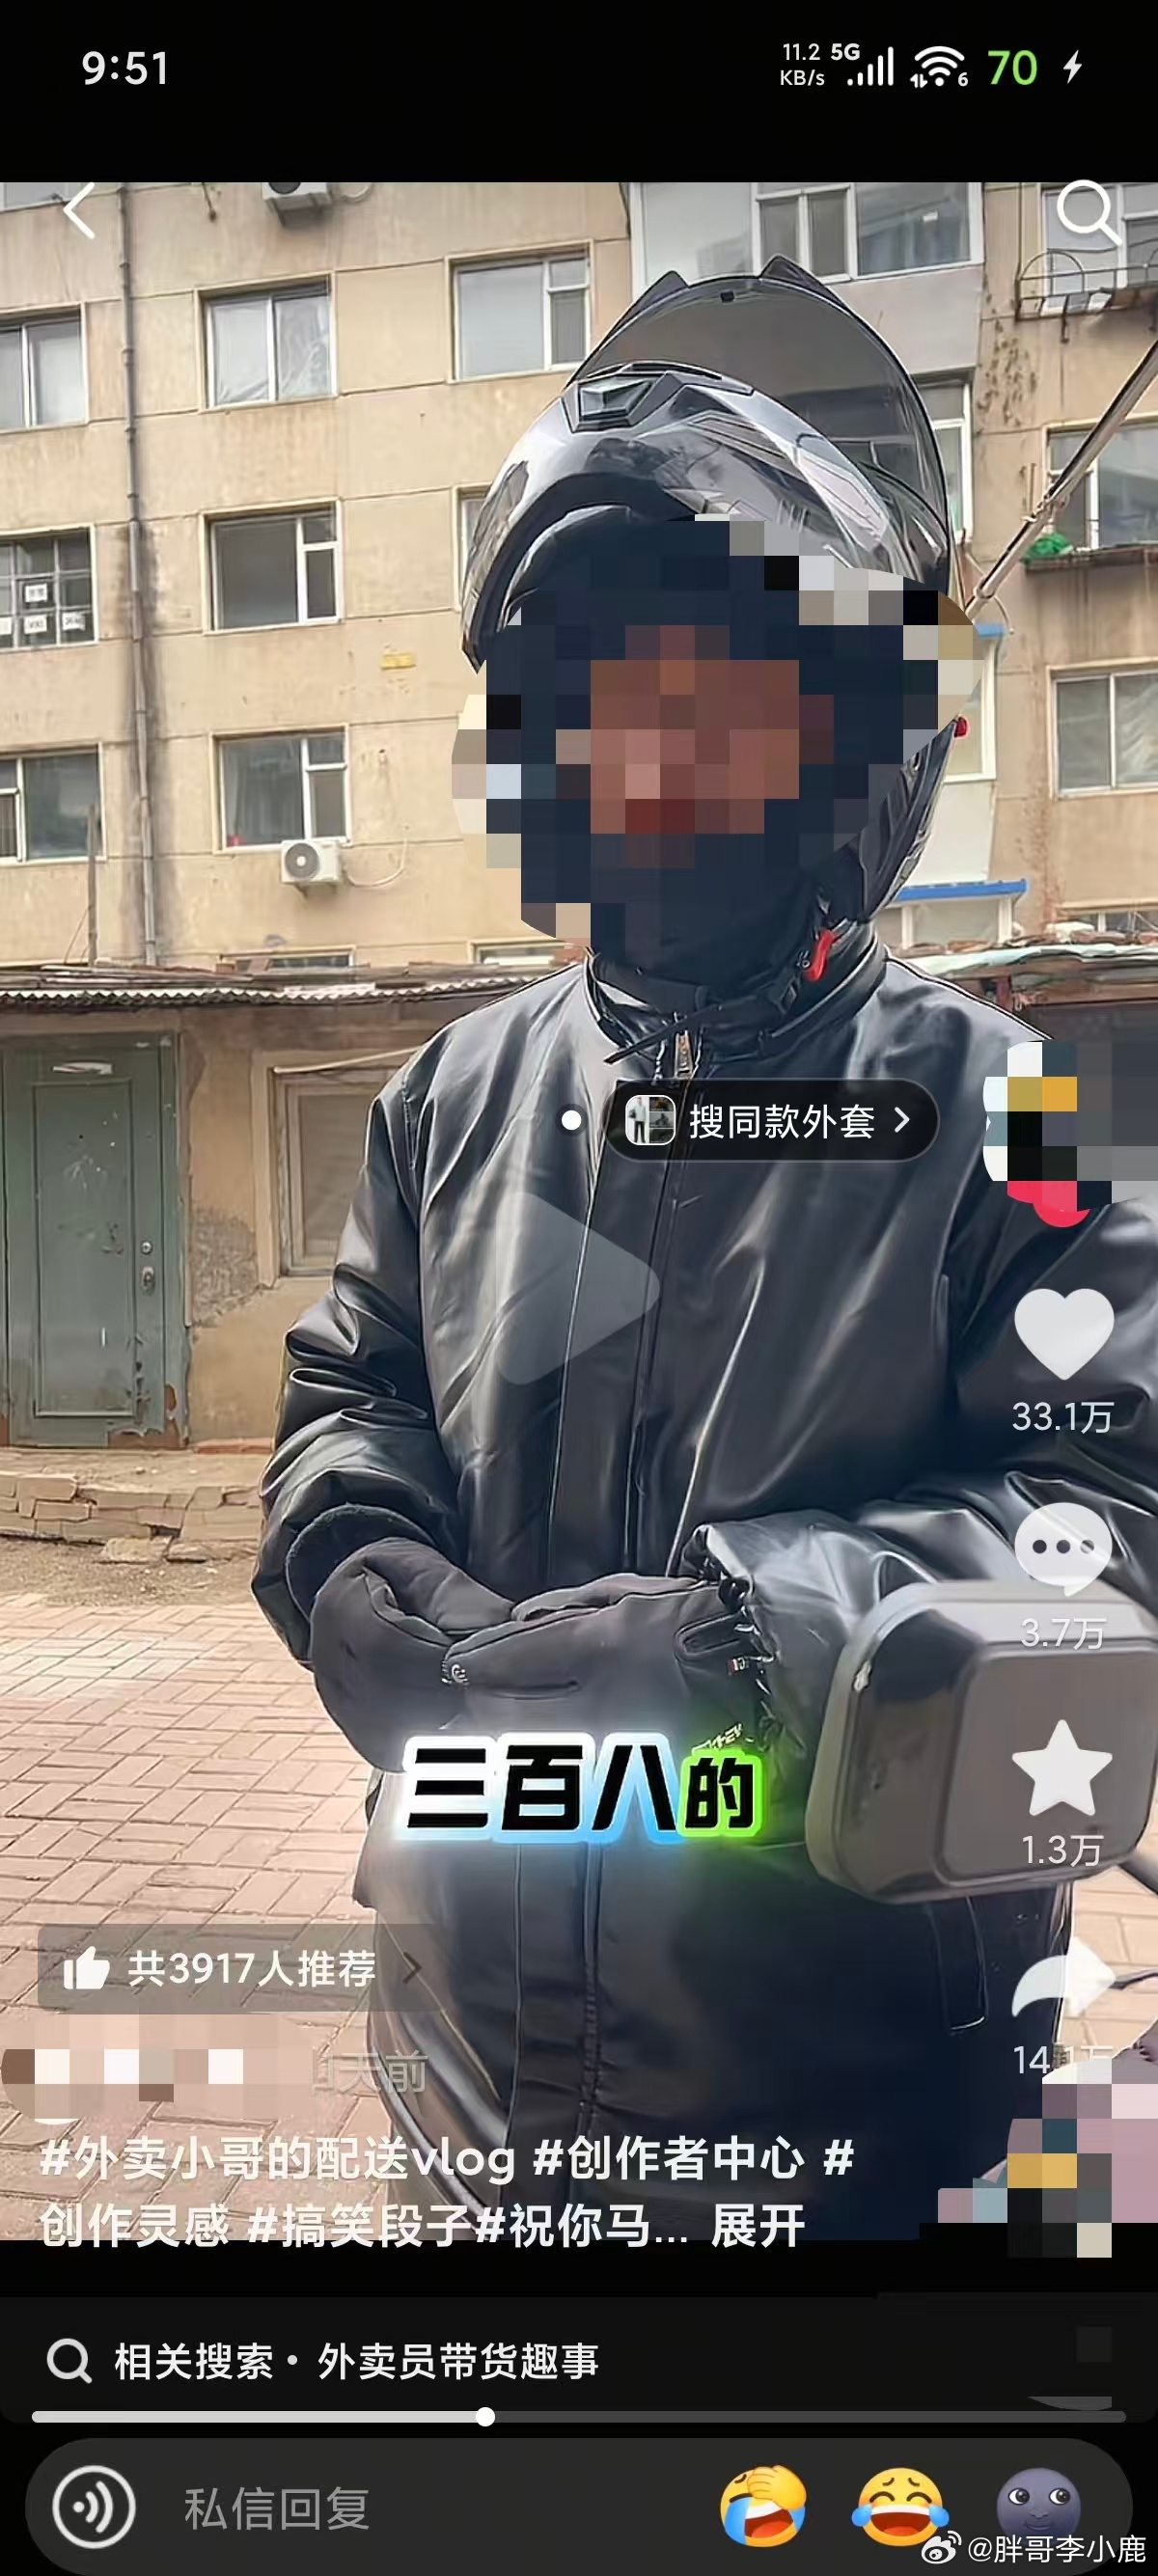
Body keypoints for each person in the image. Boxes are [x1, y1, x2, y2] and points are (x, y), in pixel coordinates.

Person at [254, 260, 1158, 2238]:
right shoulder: (454, 1093)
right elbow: (349, 1393)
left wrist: (766, 1650)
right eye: (591, 701)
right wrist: (347, 1563)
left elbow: (1119, 1506)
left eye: (712, 698)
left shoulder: (1018, 1108)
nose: (643, 756)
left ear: (846, 736)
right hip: (466, 2067)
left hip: (859, 2103)